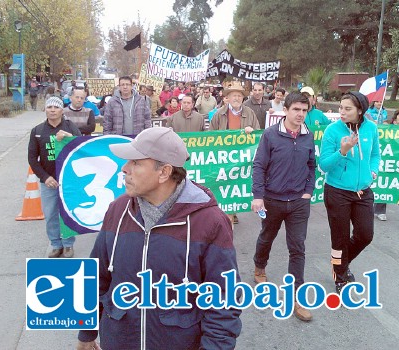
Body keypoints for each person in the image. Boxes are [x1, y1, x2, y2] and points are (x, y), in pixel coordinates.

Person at [76, 127, 242, 350]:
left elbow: (224, 300)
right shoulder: (117, 210)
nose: (125, 169)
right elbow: (96, 278)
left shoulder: (210, 222)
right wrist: (86, 332)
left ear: (164, 172)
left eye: (135, 163)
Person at [251, 92, 316, 322]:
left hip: (299, 202)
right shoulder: (270, 135)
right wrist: (258, 195)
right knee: (267, 236)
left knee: (297, 247)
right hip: (272, 200)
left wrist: (309, 191)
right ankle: (259, 266)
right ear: (286, 110)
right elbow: (259, 166)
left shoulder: (309, 136)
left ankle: (297, 299)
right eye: (296, 109)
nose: (300, 114)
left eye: (304, 110)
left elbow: (311, 166)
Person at [319, 91, 380, 294]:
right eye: (340, 108)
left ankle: (341, 264)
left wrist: (373, 171)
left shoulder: (371, 128)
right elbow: (324, 165)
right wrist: (342, 151)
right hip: (337, 192)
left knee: (365, 235)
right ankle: (340, 275)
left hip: (363, 191)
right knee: (340, 238)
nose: (342, 112)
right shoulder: (332, 131)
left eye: (347, 109)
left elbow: (375, 154)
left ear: (360, 110)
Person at [28, 97, 82, 258]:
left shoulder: (70, 126)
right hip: (49, 182)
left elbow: (80, 146)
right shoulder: (37, 131)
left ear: (61, 110)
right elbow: (32, 158)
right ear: (45, 110)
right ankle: (56, 244)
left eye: (56, 107)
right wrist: (45, 178)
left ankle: (68, 244)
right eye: (49, 107)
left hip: (67, 180)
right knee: (51, 213)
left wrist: (68, 137)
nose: (52, 109)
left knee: (66, 212)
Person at [210, 85, 260, 225]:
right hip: (224, 155)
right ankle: (227, 212)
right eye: (234, 96)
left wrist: (252, 131)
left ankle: (233, 210)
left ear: (243, 98)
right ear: (228, 98)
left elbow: (257, 133)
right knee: (225, 183)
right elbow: (211, 135)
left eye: (239, 96)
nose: (236, 98)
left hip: (243, 156)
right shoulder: (219, 114)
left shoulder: (250, 113)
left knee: (237, 182)